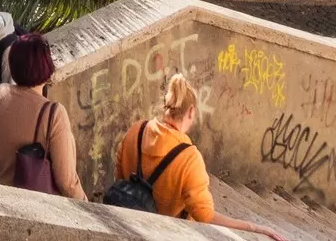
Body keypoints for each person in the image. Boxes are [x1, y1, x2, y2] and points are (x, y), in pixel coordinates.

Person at [115, 74, 287, 239]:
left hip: (125, 223)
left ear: (165, 106)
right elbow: (205, 217)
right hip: (163, 233)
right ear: (190, 112)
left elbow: (121, 178)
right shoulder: (189, 159)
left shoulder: (136, 131)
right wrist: (255, 228)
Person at [0, 33, 84, 197]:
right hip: (38, 205)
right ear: (47, 66)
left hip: (2, 196)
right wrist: (85, 204)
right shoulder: (54, 113)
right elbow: (67, 181)